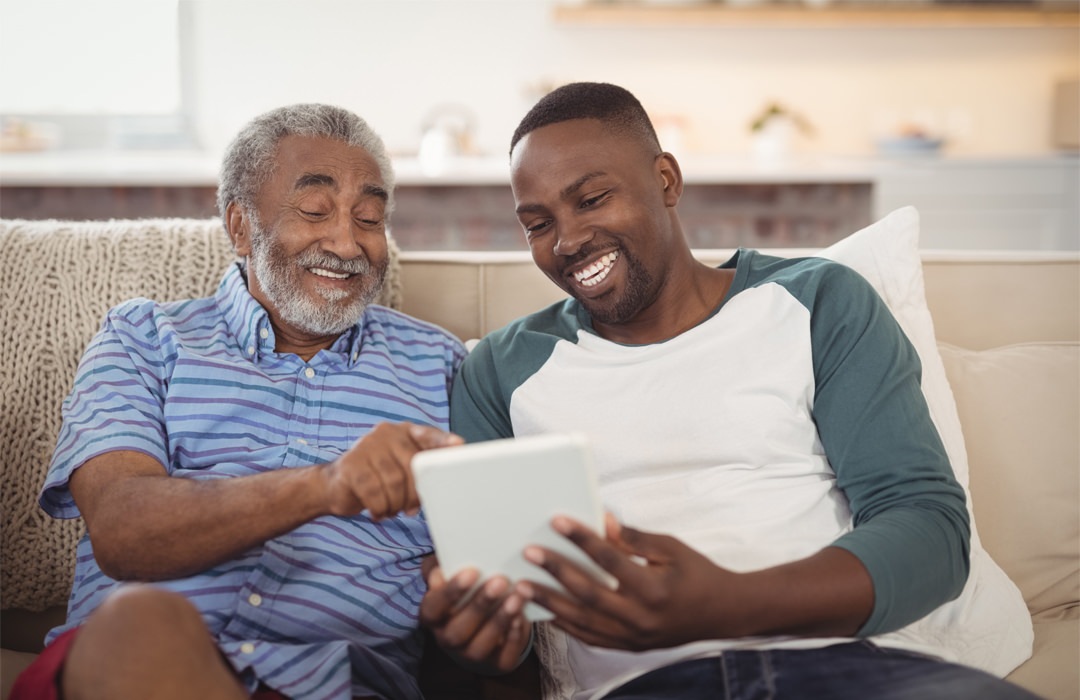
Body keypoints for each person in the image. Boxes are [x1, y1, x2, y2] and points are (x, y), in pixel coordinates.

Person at [419, 82, 1038, 700]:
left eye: (593, 199)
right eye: (538, 224)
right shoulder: (501, 369)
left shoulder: (819, 300)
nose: (567, 241)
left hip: (849, 675)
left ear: (665, 180)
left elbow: (929, 529)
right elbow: (507, 624)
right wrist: (483, 647)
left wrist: (727, 604)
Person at [11, 104, 467, 700]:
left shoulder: (442, 364)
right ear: (240, 226)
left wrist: (466, 605)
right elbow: (125, 530)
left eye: (370, 217)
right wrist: (326, 485)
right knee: (141, 625)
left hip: (335, 684)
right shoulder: (143, 339)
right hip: (124, 668)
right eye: (314, 211)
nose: (348, 242)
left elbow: (464, 567)